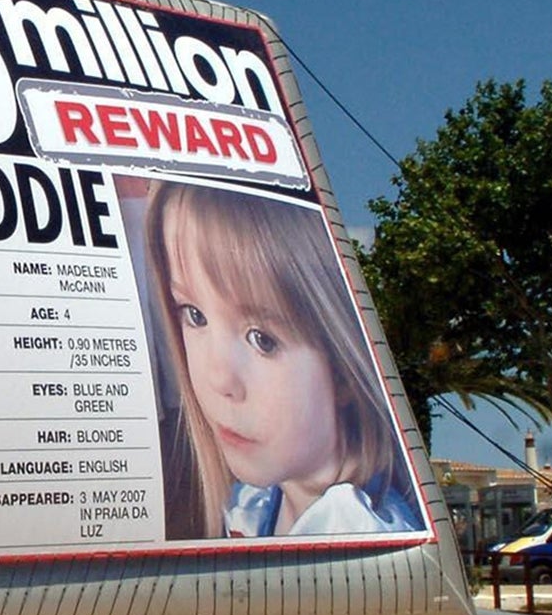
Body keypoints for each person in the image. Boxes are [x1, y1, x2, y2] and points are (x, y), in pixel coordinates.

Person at [143, 181, 423, 539]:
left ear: (344, 372)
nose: (219, 379)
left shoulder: (354, 532)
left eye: (263, 340)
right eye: (195, 315)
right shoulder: (256, 501)